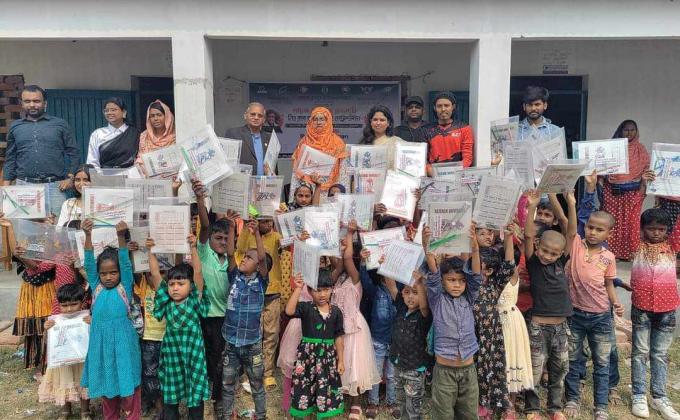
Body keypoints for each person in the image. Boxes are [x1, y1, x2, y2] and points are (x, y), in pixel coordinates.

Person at [563, 201, 623, 420]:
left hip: (601, 317)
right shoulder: (576, 245)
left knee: (602, 362)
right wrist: (569, 203)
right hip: (575, 315)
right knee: (573, 359)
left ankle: (601, 406)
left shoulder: (609, 257)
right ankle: (572, 398)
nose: (593, 232)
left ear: (609, 233)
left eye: (599, 229)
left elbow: (609, 284)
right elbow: (568, 225)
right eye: (590, 227)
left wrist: (616, 302)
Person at [80, 219, 142, 420]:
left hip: (124, 344)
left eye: (113, 272)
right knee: (108, 386)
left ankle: (133, 415)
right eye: (104, 273)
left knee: (128, 382)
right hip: (101, 346)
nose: (108, 277)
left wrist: (121, 237)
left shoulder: (124, 287)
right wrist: (88, 235)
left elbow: (125, 262)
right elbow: (89, 263)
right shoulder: (96, 287)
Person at [523, 190, 576, 420]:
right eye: (544, 251)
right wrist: (532, 207)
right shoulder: (534, 263)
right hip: (538, 327)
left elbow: (570, 232)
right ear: (537, 247)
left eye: (553, 254)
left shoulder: (561, 262)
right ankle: (532, 408)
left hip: (561, 327)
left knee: (559, 368)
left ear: (560, 254)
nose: (547, 256)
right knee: (535, 368)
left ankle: (555, 407)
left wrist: (571, 204)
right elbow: (527, 236)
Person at [146, 235, 210, 420]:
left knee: (195, 395)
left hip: (193, 357)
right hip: (172, 358)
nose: (175, 288)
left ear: (191, 286)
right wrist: (151, 251)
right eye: (172, 284)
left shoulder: (194, 300)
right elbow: (156, 274)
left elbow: (198, 272)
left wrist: (193, 247)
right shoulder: (166, 301)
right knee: (170, 396)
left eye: (181, 284)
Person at [423, 223, 481, 420]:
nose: (457, 285)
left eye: (461, 281)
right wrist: (427, 246)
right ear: (442, 281)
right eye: (451, 280)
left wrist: (475, 248)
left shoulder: (469, 298)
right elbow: (433, 273)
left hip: (468, 370)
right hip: (444, 371)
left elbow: (476, 277)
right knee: (443, 414)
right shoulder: (437, 299)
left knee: (469, 413)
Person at [629, 209, 680, 420]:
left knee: (659, 354)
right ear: (642, 229)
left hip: (667, 309)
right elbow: (632, 220)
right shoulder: (637, 246)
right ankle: (639, 395)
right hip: (641, 308)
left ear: (668, 231)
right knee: (640, 352)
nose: (656, 233)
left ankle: (659, 396)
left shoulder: (672, 247)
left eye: (661, 229)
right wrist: (641, 193)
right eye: (651, 229)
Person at [221, 212, 270, 420]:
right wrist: (233, 226)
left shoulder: (261, 282)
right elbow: (230, 253)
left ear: (258, 265)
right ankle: (227, 415)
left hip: (252, 344)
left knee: (257, 383)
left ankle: (261, 415)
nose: (244, 259)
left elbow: (261, 257)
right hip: (231, 342)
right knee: (227, 383)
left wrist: (256, 233)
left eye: (249, 258)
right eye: (245, 256)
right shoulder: (234, 277)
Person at [3, 85, 79, 217]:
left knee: (57, 226)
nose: (32, 105)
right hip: (24, 187)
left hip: (55, 187)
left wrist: (71, 178)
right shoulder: (16, 127)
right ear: (22, 104)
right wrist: (5, 189)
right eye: (27, 101)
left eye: (36, 101)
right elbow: (10, 158)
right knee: (26, 227)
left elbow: (74, 153)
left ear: (45, 103)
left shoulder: (60, 124)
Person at [12, 224, 76, 375]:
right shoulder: (58, 256)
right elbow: (37, 268)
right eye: (64, 236)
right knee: (56, 332)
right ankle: (53, 367)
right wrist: (21, 256)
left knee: (76, 331)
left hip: (80, 300)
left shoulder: (85, 255)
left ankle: (77, 367)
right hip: (61, 300)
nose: (66, 239)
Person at [192, 179, 230, 418]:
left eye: (226, 239)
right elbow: (205, 226)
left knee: (220, 361)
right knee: (204, 359)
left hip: (224, 318)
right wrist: (200, 198)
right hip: (205, 316)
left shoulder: (232, 261)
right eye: (219, 238)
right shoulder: (204, 253)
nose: (223, 242)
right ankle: (202, 397)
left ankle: (218, 399)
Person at [285, 271, 345, 419]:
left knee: (325, 388)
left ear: (332, 289)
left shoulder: (336, 312)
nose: (322, 294)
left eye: (326, 289)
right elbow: (289, 311)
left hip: (327, 359)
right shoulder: (306, 308)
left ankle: (323, 413)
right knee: (304, 386)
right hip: (307, 358)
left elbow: (338, 336)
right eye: (318, 290)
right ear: (310, 291)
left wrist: (341, 360)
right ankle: (305, 414)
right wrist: (298, 288)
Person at [337, 225, 381, 420]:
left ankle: (355, 402)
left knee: (354, 364)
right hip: (337, 328)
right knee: (340, 362)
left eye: (344, 251)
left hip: (354, 326)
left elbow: (346, 259)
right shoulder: (333, 279)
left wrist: (349, 233)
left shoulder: (355, 278)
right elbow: (340, 261)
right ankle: (339, 395)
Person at [235, 217, 282, 391]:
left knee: (271, 334)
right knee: (253, 333)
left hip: (273, 292)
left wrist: (281, 219)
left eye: (270, 221)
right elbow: (239, 249)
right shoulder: (247, 233)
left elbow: (286, 244)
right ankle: (250, 373)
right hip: (252, 292)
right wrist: (248, 228)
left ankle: (267, 373)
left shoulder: (276, 236)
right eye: (264, 221)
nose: (267, 224)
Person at [474, 229, 517, 420]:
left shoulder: (495, 284)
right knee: (473, 369)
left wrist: (508, 238)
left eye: (479, 266)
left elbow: (508, 265)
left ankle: (492, 404)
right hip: (471, 332)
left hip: (490, 334)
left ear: (489, 270)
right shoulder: (469, 284)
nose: (474, 269)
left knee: (490, 369)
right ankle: (476, 402)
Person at [38, 283, 92, 420]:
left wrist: (92, 324)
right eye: (64, 305)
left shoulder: (86, 319)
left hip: (82, 360)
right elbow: (49, 342)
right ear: (59, 305)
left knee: (83, 384)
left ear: (82, 303)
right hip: (62, 362)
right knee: (63, 383)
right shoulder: (55, 321)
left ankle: (85, 411)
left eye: (73, 304)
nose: (69, 309)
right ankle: (65, 411)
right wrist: (47, 329)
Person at [600, 119, 650, 260]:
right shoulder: (612, 148)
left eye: (632, 130)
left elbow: (646, 168)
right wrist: (602, 177)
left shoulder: (640, 149)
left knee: (631, 223)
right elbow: (602, 166)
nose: (629, 133)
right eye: (626, 129)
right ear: (620, 131)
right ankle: (610, 252)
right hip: (612, 192)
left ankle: (628, 254)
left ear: (636, 131)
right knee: (611, 221)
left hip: (633, 192)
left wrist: (644, 183)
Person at [384, 271, 431, 420]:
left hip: (414, 368)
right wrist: (386, 266)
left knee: (413, 406)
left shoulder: (423, 314)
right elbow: (391, 286)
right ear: (402, 295)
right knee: (401, 401)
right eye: (407, 292)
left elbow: (424, 306)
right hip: (398, 365)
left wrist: (419, 283)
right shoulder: (401, 308)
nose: (410, 296)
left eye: (415, 293)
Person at [360, 252, 397, 419]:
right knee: (375, 373)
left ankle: (392, 401)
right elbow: (364, 279)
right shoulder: (375, 291)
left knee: (391, 374)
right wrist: (363, 261)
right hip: (378, 340)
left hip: (395, 341)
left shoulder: (401, 292)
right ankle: (372, 402)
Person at [291, 106, 348, 191]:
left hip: (331, 190)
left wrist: (341, 193)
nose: (318, 122)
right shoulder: (304, 142)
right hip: (308, 190)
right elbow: (296, 171)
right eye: (315, 119)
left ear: (328, 121)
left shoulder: (337, 142)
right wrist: (294, 192)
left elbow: (343, 171)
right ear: (311, 122)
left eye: (322, 119)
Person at [423, 91, 474, 174]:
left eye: (446, 105)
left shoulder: (464, 128)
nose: (443, 109)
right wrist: (431, 171)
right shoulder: (426, 130)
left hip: (457, 175)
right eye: (439, 106)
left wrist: (453, 173)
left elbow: (467, 158)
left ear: (453, 107)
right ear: (435, 108)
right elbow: (422, 157)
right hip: (433, 176)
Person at [86, 97, 140, 169]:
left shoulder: (135, 134)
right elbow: (92, 162)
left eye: (113, 110)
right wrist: (98, 176)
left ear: (124, 112)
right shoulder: (97, 134)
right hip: (105, 175)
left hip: (131, 174)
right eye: (106, 110)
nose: (109, 113)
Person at [224, 103, 272, 176]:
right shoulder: (234, 134)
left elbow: (273, 165)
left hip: (264, 182)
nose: (256, 118)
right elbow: (228, 163)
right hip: (242, 181)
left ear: (264, 120)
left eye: (260, 116)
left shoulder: (269, 138)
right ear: (245, 116)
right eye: (253, 114)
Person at [358, 105, 405, 170]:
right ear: (371, 122)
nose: (378, 123)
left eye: (382, 120)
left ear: (388, 123)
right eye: (375, 120)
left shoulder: (397, 143)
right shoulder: (364, 142)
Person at [136, 100, 176, 169]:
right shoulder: (144, 136)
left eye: (159, 115)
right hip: (148, 174)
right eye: (152, 116)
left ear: (167, 117)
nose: (155, 119)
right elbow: (140, 159)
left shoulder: (176, 136)